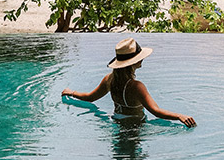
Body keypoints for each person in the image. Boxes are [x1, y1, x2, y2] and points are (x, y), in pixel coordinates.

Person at [62, 38, 196, 127]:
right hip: (135, 128)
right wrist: (180, 116)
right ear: (133, 62)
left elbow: (90, 98)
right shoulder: (137, 87)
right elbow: (155, 111)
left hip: (117, 123)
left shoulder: (109, 79)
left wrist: (72, 92)